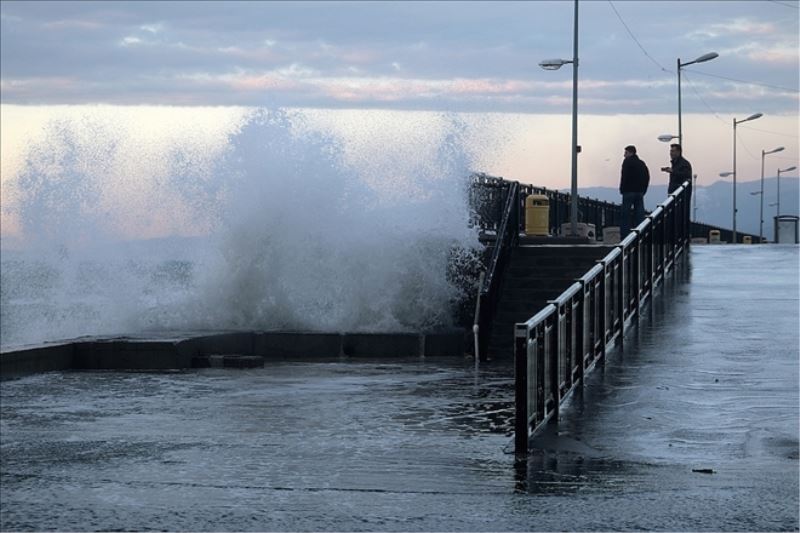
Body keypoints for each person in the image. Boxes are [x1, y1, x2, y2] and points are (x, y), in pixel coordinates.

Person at [619, 145, 650, 238]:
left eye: (626, 153)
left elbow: (624, 176)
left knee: (625, 215)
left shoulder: (627, 162)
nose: (624, 155)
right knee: (640, 215)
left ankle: (625, 237)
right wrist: (644, 190)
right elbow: (647, 177)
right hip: (640, 192)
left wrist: (622, 188)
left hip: (628, 191)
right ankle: (640, 235)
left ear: (631, 152)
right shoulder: (641, 163)